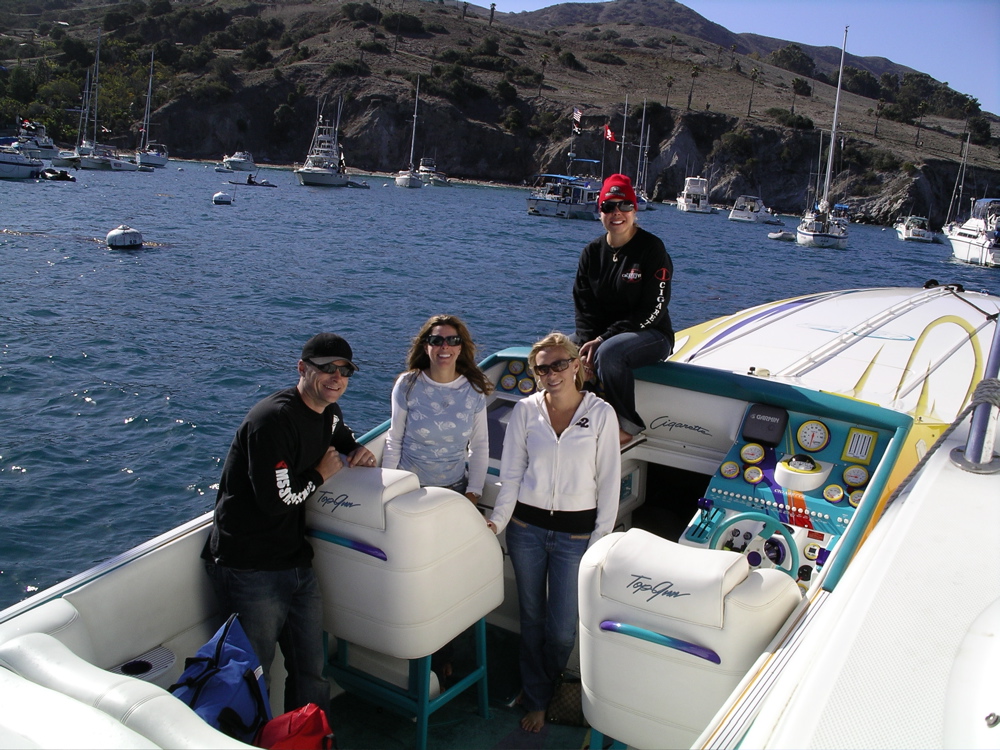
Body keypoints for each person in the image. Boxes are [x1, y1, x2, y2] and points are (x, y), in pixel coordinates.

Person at [202, 332, 378, 716]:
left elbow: (338, 436)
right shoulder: (272, 421)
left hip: (295, 561)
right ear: (302, 368)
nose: (337, 378)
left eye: (345, 371)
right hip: (248, 567)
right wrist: (320, 475)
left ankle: (308, 740)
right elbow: (277, 501)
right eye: (326, 369)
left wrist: (355, 449)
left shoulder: (329, 413)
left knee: (311, 672)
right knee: (250, 677)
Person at [487, 332, 621, 733]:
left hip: (576, 539)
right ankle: (537, 695)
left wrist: (598, 544)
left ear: (576, 365)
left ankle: (541, 689)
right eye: (543, 368)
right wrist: (496, 521)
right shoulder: (527, 412)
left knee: (562, 630)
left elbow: (610, 484)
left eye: (559, 364)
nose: (552, 373)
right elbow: (511, 475)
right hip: (526, 530)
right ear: (535, 372)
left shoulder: (601, 415)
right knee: (530, 618)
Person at [573, 173, 675, 445]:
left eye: (625, 206)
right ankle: (566, 413)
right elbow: (584, 307)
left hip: (651, 333)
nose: (617, 213)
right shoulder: (591, 253)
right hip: (601, 335)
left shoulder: (652, 249)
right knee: (561, 349)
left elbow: (654, 308)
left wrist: (602, 340)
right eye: (609, 206)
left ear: (634, 210)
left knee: (610, 353)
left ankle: (626, 424)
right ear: (600, 210)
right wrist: (586, 345)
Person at [382, 314, 493, 505]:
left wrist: (473, 492)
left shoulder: (473, 389)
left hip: (454, 490)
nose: (445, 346)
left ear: (460, 348)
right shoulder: (408, 384)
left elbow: (479, 445)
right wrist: (387, 487)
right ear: (426, 347)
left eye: (452, 340)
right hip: (409, 487)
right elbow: (394, 439)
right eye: (436, 340)